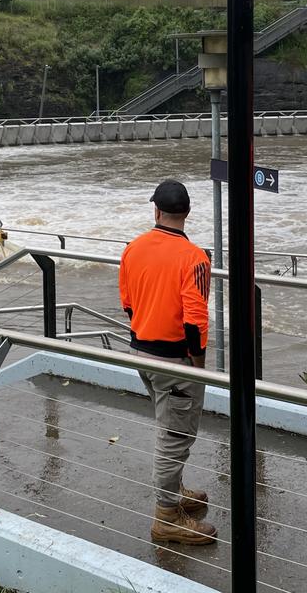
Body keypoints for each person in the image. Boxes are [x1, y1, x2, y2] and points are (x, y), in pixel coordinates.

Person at [119, 179, 216, 546]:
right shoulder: (194, 257)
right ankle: (166, 517)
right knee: (174, 438)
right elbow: (195, 319)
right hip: (175, 360)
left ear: (155, 210)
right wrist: (197, 364)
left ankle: (174, 491)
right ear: (187, 214)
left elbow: (127, 301)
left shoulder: (133, 249)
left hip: (140, 351)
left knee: (169, 426)